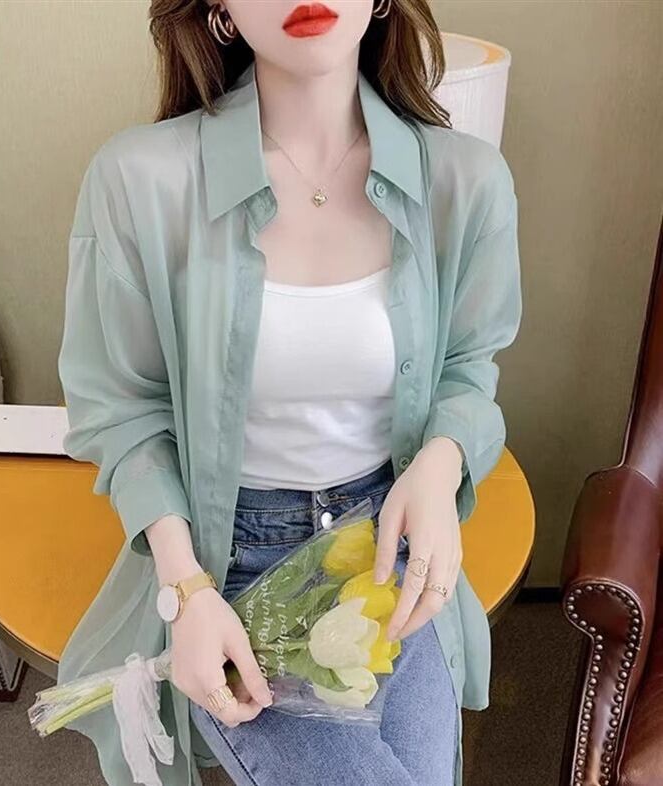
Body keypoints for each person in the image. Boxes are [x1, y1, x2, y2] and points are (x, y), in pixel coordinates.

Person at [56, 1, 523, 785]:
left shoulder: (465, 180)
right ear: (220, 10)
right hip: (228, 558)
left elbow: (471, 365)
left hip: (390, 545)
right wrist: (187, 590)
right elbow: (120, 407)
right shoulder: (139, 180)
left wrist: (442, 465)